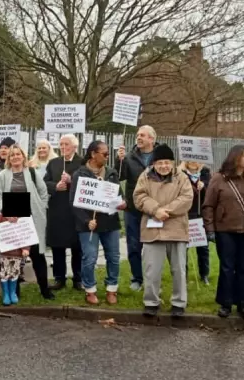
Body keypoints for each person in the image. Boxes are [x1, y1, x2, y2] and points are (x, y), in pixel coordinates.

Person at [202, 145, 244, 319]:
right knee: (227, 268)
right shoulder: (219, 179)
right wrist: (209, 228)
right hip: (225, 229)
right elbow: (208, 205)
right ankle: (225, 303)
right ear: (236, 158)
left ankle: (243, 304)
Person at [133, 144, 194, 318]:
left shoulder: (182, 178)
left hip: (176, 229)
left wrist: (165, 211)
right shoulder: (145, 177)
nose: (163, 166)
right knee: (152, 269)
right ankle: (151, 302)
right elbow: (139, 196)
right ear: (154, 164)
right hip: (152, 231)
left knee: (179, 270)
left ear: (172, 163)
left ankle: (179, 303)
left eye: (167, 162)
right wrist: (155, 210)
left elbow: (187, 198)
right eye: (159, 163)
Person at [0, 145, 53, 300]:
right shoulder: (3, 175)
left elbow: (43, 192)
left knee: (37, 256)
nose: (15, 157)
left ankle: (45, 290)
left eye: (18, 154)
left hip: (31, 220)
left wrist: (41, 207)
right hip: (12, 221)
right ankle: (14, 291)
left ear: (23, 156)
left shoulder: (32, 173)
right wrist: (6, 212)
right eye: (12, 155)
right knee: (14, 258)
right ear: (8, 158)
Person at [71, 141, 124, 305]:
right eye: (105, 154)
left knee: (114, 257)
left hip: (110, 223)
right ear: (93, 154)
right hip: (88, 225)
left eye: (108, 154)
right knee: (90, 257)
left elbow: (119, 196)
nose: (108, 157)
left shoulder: (112, 173)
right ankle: (90, 289)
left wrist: (121, 203)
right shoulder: (79, 174)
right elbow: (74, 202)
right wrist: (87, 221)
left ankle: (111, 288)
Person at [117, 125, 158, 291]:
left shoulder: (162, 155)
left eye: (143, 135)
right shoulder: (129, 157)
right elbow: (119, 176)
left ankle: (152, 279)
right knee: (134, 245)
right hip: (133, 209)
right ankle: (137, 278)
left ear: (151, 139)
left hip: (154, 209)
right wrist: (118, 160)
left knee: (153, 246)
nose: (138, 137)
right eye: (137, 135)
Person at [44, 134, 83, 290]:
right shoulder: (53, 163)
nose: (63, 147)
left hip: (76, 211)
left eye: (66, 144)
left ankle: (78, 278)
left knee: (77, 247)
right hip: (57, 210)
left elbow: (87, 184)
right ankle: (59, 278)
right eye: (61, 144)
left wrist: (71, 180)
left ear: (75, 146)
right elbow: (45, 182)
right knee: (57, 246)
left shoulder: (82, 163)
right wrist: (55, 186)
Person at [180, 160, 212, 284]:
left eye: (197, 159)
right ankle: (184, 276)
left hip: (201, 215)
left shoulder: (206, 173)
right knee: (184, 248)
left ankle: (204, 275)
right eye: (190, 159)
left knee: (203, 247)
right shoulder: (181, 174)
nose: (194, 162)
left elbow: (211, 192)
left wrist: (204, 186)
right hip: (186, 214)